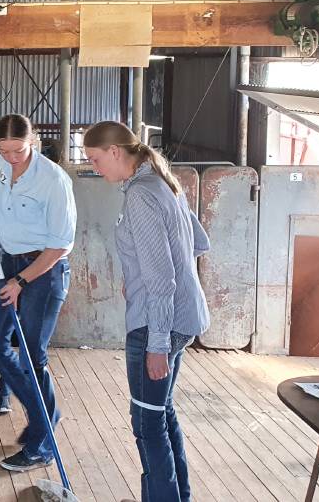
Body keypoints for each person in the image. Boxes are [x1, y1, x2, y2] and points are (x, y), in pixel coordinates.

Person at [83, 121, 210, 502]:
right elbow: (198, 243)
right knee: (161, 412)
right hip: (182, 317)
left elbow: (161, 278)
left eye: (95, 159)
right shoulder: (163, 181)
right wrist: (136, 275)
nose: (95, 167)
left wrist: (157, 344)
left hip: (158, 324)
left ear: (116, 152)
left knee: (147, 422)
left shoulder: (141, 194)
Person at [0, 113, 76, 473]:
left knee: (32, 356)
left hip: (43, 272)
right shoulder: (0, 165)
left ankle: (42, 443)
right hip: (7, 262)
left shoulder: (53, 181)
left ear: (33, 142)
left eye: (18, 150)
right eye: (4, 150)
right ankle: (47, 415)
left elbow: (60, 245)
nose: (12, 157)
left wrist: (22, 282)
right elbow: (1, 205)